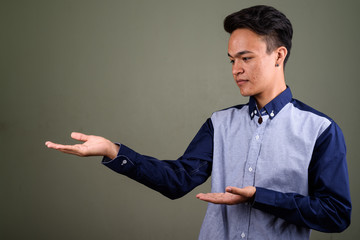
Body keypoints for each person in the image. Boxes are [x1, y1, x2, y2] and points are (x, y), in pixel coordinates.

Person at [45, 5, 351, 240]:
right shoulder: (219, 124)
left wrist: (261, 197)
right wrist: (112, 150)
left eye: (246, 58)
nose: (236, 69)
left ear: (278, 55)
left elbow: (336, 215)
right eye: (232, 60)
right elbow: (177, 180)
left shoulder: (320, 130)